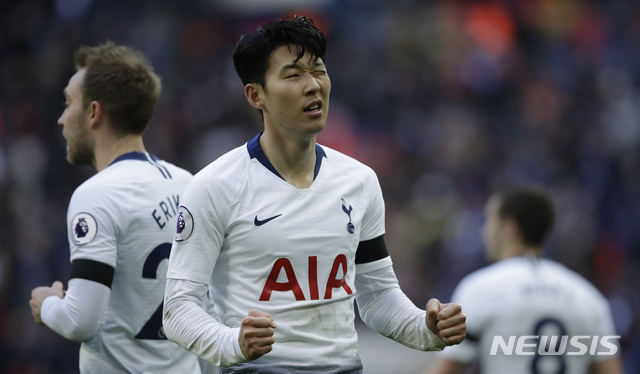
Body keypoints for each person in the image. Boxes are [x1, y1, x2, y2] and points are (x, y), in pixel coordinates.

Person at [162, 15, 466, 373]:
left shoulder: (360, 180)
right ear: (255, 94)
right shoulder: (215, 185)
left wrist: (426, 329)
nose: (312, 85)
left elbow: (378, 297)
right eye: (293, 75)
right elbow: (178, 308)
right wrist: (233, 344)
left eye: (318, 70)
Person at [28, 41, 199, 373]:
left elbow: (80, 322)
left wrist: (45, 302)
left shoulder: (97, 194)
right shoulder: (188, 183)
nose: (62, 119)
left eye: (68, 103)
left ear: (94, 112)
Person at [426, 186, 625, 374]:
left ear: (510, 227)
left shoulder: (480, 289)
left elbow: (446, 370)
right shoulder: (587, 296)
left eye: (489, 221)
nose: (484, 232)